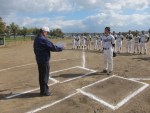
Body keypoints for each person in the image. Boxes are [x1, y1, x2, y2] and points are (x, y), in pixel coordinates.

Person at [33, 26, 65, 96]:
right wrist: (61, 48)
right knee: (44, 76)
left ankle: (43, 90)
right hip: (44, 60)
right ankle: (44, 91)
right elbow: (52, 47)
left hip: (39, 59)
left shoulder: (37, 38)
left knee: (42, 75)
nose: (47, 34)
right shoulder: (42, 39)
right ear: (44, 32)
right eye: (46, 32)